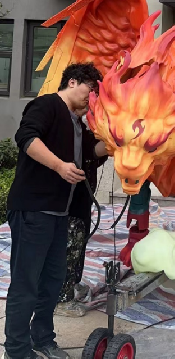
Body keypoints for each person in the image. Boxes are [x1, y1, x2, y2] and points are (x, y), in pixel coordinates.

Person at [2, 63, 107, 359]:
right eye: (90, 90)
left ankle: (43, 338)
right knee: (27, 281)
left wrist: (123, 140)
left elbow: (93, 151)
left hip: (61, 214)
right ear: (72, 82)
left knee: (52, 281)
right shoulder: (47, 105)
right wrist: (60, 166)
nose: (92, 98)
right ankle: (15, 350)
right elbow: (26, 137)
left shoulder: (78, 124)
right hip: (34, 209)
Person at [55, 106, 108, 318]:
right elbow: (91, 150)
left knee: (80, 243)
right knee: (70, 245)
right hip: (69, 200)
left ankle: (73, 284)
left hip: (83, 197)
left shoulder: (85, 127)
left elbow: (95, 154)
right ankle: (61, 298)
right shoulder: (69, 125)